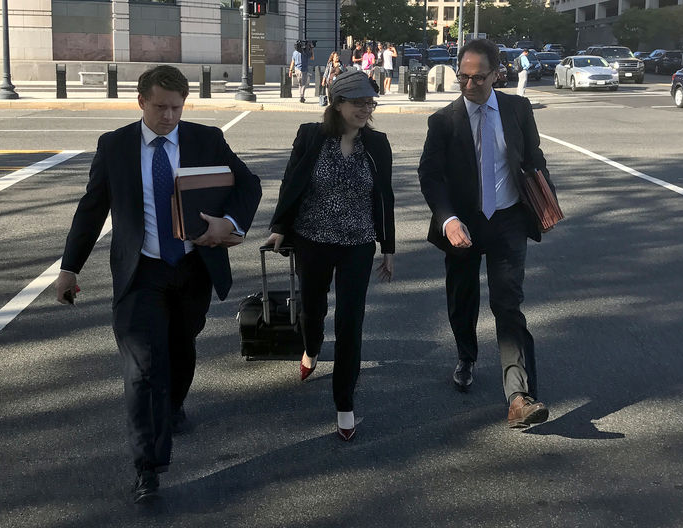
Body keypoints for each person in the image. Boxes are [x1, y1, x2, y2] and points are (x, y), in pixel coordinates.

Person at [54, 65, 262, 503]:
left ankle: (174, 403)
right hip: (141, 271)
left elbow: (248, 184)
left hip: (191, 268)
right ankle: (147, 468)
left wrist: (229, 222)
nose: (169, 116)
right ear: (141, 101)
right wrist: (69, 267)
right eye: (161, 107)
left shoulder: (206, 139)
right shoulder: (115, 147)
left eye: (177, 108)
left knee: (181, 347)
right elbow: (91, 210)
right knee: (144, 369)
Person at [417, 39, 556, 429]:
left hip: (508, 220)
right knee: (463, 300)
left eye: (478, 77)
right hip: (462, 223)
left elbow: (533, 158)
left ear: (498, 74)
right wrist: (447, 219)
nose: (469, 84)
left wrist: (545, 195)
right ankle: (466, 355)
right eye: (463, 76)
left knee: (508, 304)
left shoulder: (518, 109)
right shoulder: (443, 121)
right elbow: (429, 175)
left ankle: (518, 396)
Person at [266, 71, 395, 442]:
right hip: (313, 239)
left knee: (351, 322)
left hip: (358, 242)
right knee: (313, 307)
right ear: (337, 103)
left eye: (370, 103)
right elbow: (292, 181)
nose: (365, 110)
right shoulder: (311, 136)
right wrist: (279, 226)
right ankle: (310, 347)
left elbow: (384, 196)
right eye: (358, 103)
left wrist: (388, 247)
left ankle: (344, 402)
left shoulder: (377, 144)